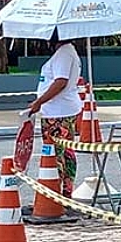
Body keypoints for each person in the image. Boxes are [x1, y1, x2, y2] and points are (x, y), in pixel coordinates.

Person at [27, 30, 83, 198]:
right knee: (61, 153)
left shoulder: (64, 54)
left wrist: (39, 102)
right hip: (59, 110)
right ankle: (60, 192)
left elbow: (60, 81)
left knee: (56, 154)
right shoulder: (66, 52)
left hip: (58, 113)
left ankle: (58, 193)